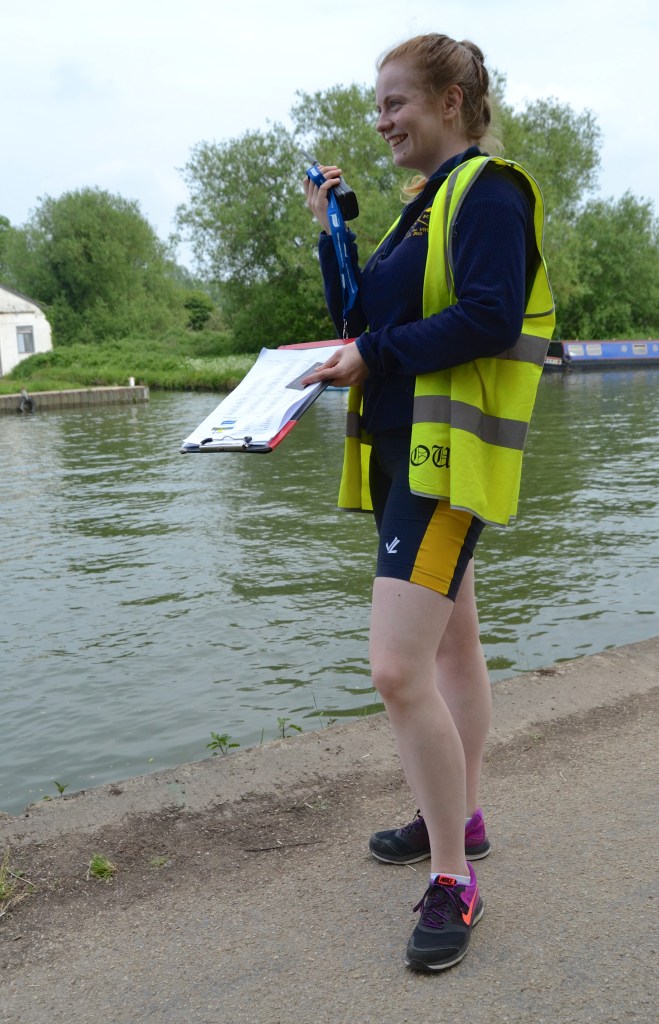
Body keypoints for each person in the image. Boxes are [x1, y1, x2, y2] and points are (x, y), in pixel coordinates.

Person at [302, 32, 554, 972]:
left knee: (394, 671)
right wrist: (333, 235)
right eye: (377, 104)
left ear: (452, 101)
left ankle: (454, 877)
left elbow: (489, 313)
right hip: (402, 452)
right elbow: (360, 322)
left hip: (442, 467)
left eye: (396, 101)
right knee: (452, 646)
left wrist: (377, 353)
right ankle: (460, 816)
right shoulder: (420, 209)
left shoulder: (489, 191)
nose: (381, 120)